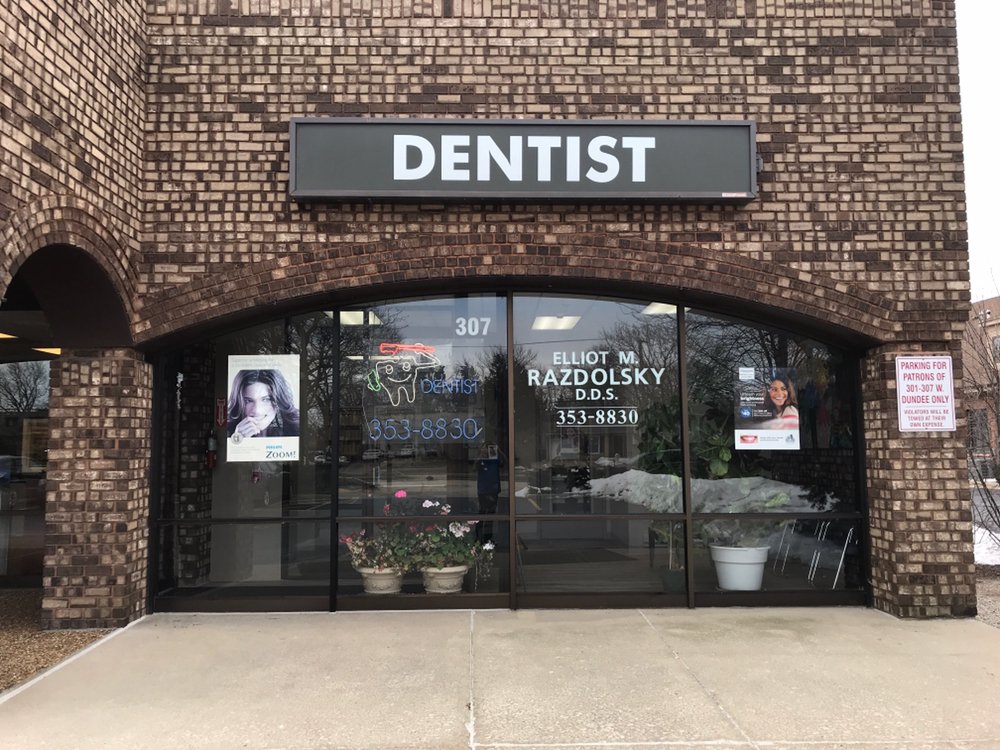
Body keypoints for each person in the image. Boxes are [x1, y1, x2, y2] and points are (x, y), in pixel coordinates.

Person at [227, 369, 301, 440]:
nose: (257, 411)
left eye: (266, 399)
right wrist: (237, 439)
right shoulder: (226, 431)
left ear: (279, 400)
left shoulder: (297, 430)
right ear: (238, 402)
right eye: (248, 401)